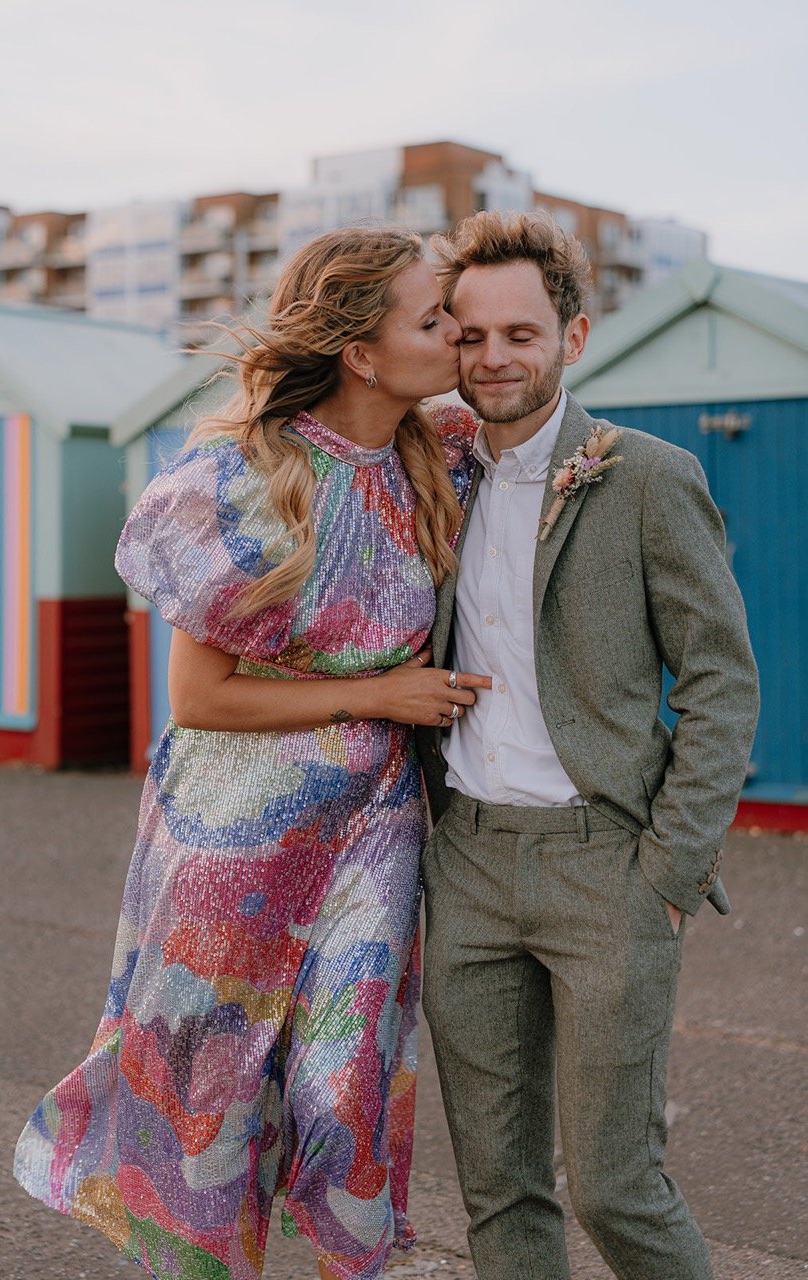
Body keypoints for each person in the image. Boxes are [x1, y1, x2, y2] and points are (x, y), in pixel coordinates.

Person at [13, 226, 490, 1280]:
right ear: (360, 351)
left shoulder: (442, 450)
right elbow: (198, 697)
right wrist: (385, 693)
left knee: (345, 1084)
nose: (454, 332)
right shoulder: (242, 473)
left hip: (371, 825)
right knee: (207, 1088)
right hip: (230, 829)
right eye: (430, 318)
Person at [416, 211, 760, 1280]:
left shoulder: (645, 476)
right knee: (499, 1194)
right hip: (463, 862)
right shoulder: (428, 473)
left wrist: (669, 865)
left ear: (570, 336)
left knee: (616, 1187)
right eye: (468, 337)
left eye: (517, 333)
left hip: (604, 867)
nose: (491, 358)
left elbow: (720, 679)